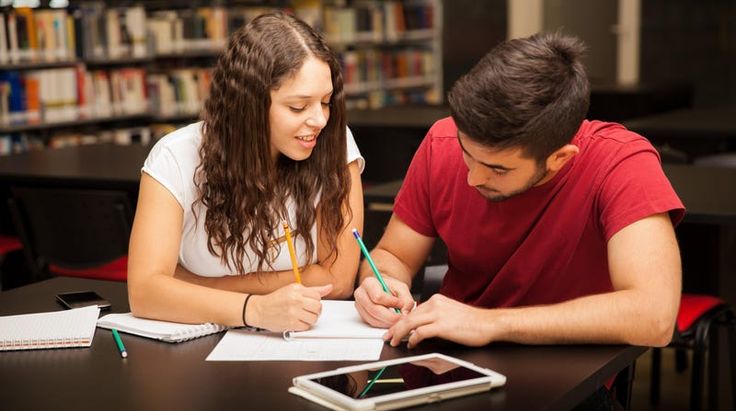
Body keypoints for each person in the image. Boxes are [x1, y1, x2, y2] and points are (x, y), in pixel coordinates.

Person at [354, 32, 684, 351]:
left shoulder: (619, 162)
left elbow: (654, 317)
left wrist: (489, 324)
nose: (473, 178)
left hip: (566, 369)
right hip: (448, 355)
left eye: (498, 168)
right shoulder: (442, 141)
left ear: (559, 158)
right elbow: (393, 255)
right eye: (467, 153)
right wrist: (380, 283)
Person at [127, 12, 364, 332]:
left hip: (306, 339)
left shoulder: (334, 140)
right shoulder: (176, 156)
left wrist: (189, 286)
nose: (320, 120)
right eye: (298, 106)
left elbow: (337, 281)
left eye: (325, 101)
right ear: (248, 106)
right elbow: (144, 293)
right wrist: (254, 309)